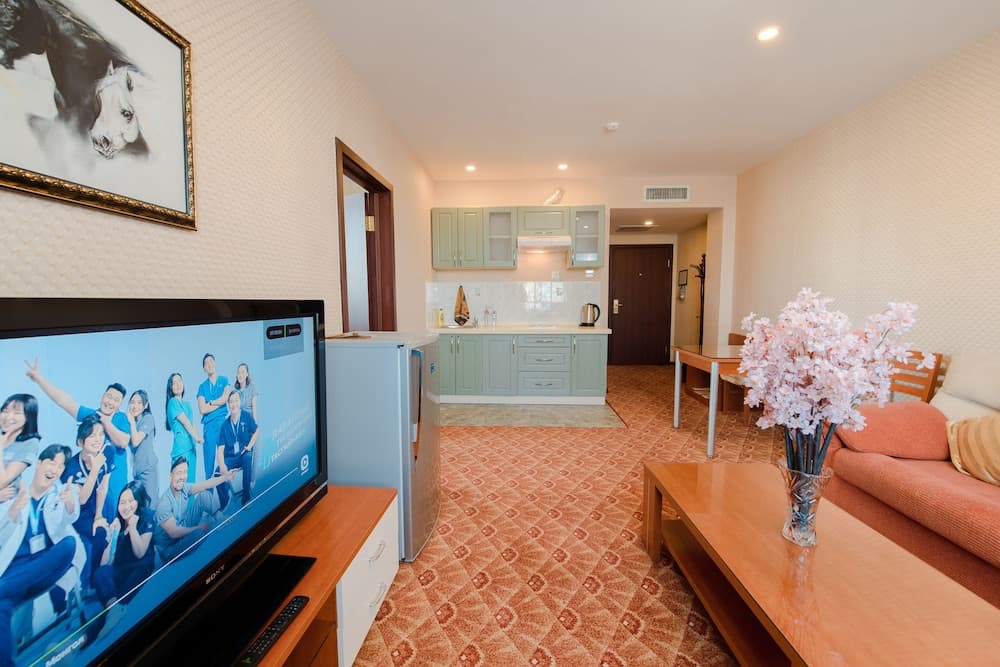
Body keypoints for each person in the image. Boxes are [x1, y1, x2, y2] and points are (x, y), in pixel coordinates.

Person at [0, 445, 84, 667]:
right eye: (51, 462)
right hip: (16, 573)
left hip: (46, 566)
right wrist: (12, 512)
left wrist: (69, 502)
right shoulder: (14, 496)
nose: (55, 469)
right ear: (38, 463)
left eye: (61, 466)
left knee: (69, 544)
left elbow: (71, 516)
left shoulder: (61, 494)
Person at [24, 360, 129, 522]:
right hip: (90, 495)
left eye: (116, 399)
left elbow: (123, 442)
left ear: (120, 404)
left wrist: (106, 422)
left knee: (117, 527)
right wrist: (39, 379)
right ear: (102, 396)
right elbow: (64, 400)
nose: (110, 401)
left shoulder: (121, 418)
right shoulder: (91, 416)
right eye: (108, 396)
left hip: (116, 488)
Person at [153, 457, 234, 563]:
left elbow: (206, 484)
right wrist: (198, 527)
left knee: (204, 495)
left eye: (185, 472)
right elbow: (174, 532)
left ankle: (219, 517)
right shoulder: (164, 504)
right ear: (171, 476)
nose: (182, 477)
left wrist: (225, 477)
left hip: (182, 526)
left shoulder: (183, 488)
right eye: (179, 473)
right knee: (199, 533)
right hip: (169, 548)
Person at [61, 415, 111, 590]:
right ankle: (84, 584)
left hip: (95, 509)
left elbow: (103, 488)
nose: (98, 439)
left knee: (100, 532)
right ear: (80, 442)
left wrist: (98, 516)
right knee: (89, 539)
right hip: (75, 514)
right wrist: (95, 469)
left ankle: (94, 580)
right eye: (92, 435)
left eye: (101, 434)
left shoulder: (108, 453)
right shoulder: (71, 467)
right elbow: (80, 500)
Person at [216, 391, 258, 511]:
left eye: (236, 401)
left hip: (244, 453)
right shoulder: (224, 426)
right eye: (231, 402)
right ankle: (225, 502)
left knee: (248, 457)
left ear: (239, 402)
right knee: (217, 472)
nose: (233, 404)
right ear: (228, 404)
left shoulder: (246, 416)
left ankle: (246, 497)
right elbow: (220, 449)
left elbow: (256, 431)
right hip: (231, 458)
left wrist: (249, 446)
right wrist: (222, 465)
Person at [0, 394, 42, 501]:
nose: (8, 417)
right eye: (5, 411)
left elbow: (2, 481)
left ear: (28, 417)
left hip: (7, 507)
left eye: (17, 413)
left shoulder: (30, 443)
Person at [196, 354, 230, 480]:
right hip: (209, 427)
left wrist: (210, 403)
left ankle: (226, 489)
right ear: (204, 369)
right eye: (206, 363)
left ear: (215, 363)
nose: (209, 364)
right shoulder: (202, 387)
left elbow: (225, 398)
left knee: (225, 459)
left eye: (211, 361)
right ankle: (209, 490)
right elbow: (202, 409)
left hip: (222, 424)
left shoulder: (224, 380)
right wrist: (218, 403)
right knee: (209, 462)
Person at [164, 373, 202, 483]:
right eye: (174, 383)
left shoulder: (187, 405)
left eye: (180, 381)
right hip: (181, 449)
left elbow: (192, 424)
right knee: (181, 484)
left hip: (191, 448)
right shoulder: (172, 402)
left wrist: (198, 438)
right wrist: (198, 438)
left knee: (191, 484)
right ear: (170, 388)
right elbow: (185, 422)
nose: (178, 384)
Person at [125, 390, 158, 502]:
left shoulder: (148, 418)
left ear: (146, 405)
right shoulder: (132, 423)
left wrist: (131, 422)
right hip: (137, 470)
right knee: (140, 505)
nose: (135, 406)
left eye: (139, 403)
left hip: (147, 468)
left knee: (151, 504)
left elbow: (135, 441)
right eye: (132, 402)